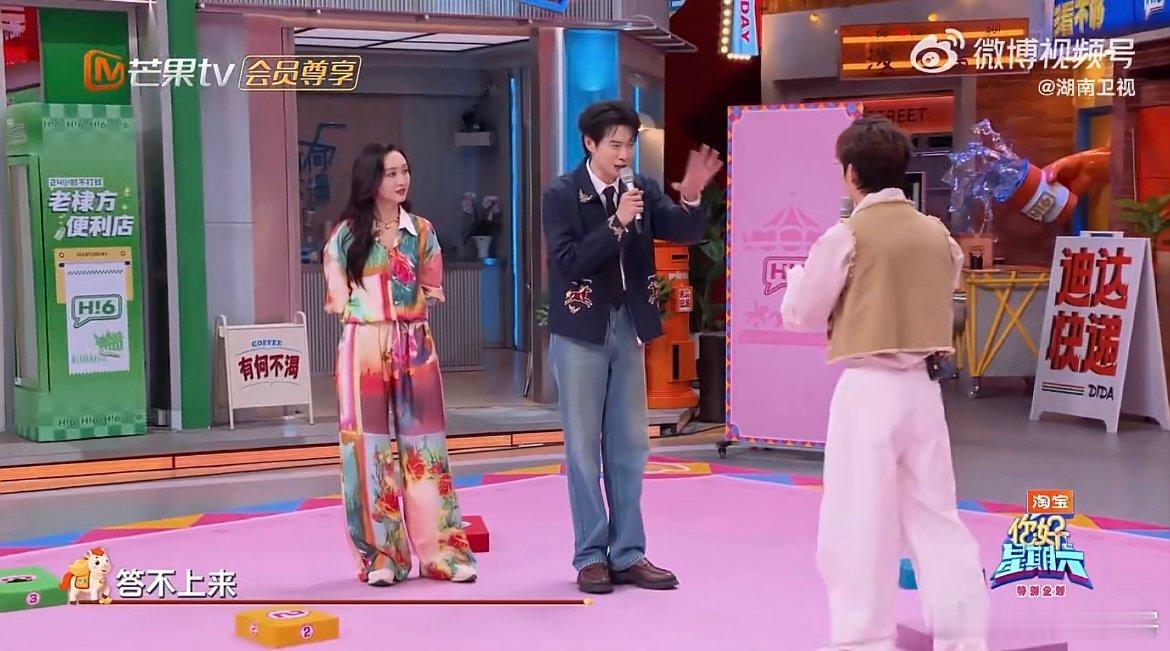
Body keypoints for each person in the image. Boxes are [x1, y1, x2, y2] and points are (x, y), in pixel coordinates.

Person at [781, 116, 989, 650]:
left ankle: (864, 639)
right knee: (938, 519)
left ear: (850, 173)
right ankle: (965, 638)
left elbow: (803, 314)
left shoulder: (845, 235)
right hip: (923, 388)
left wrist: (795, 280)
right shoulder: (939, 235)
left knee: (857, 520)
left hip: (867, 387)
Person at [542, 101, 723, 594]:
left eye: (629, 145)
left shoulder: (639, 188)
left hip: (629, 326)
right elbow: (569, 262)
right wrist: (617, 223)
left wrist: (690, 197)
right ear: (590, 144)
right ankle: (590, 556)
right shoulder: (562, 194)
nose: (624, 155)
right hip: (581, 329)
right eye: (615, 145)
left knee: (629, 445)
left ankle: (627, 553)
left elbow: (683, 231)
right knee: (583, 448)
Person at [323, 143, 477, 587]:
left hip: (415, 342)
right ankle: (381, 557)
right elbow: (339, 297)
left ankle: (443, 554)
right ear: (371, 180)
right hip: (364, 344)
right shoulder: (345, 236)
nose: (401, 180)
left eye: (404, 171)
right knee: (367, 450)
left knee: (426, 449)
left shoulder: (422, 231)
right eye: (391, 173)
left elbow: (431, 286)